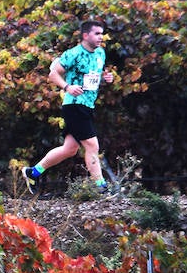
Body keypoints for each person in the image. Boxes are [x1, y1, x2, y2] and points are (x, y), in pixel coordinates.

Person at [22, 19, 118, 194]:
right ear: (85, 35)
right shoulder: (73, 54)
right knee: (92, 146)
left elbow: (94, 77)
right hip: (74, 105)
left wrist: (105, 78)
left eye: (101, 34)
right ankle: (102, 189)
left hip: (88, 106)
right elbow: (53, 74)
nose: (100, 37)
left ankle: (33, 172)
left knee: (70, 149)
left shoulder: (100, 53)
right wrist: (67, 87)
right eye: (97, 34)